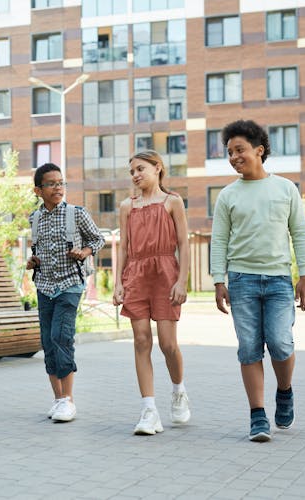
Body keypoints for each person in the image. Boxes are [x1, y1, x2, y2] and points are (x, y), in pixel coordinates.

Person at [211, 119, 305, 442]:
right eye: (229, 152)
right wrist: (218, 280)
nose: (233, 156)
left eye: (239, 150)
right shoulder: (227, 195)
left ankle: (285, 390)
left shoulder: (285, 189)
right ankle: (257, 416)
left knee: (281, 343)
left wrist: (304, 274)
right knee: (249, 349)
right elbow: (220, 241)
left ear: (259, 150)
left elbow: (300, 233)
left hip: (280, 279)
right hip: (242, 280)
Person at [113, 150, 191, 435]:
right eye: (131, 171)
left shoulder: (173, 202)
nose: (135, 175)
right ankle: (149, 410)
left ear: (158, 168)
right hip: (136, 274)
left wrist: (182, 281)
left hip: (165, 272)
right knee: (141, 340)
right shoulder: (126, 206)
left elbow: (183, 243)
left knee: (168, 344)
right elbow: (123, 247)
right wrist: (119, 282)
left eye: (140, 169)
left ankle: (178, 391)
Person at [27, 163, 105, 423]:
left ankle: (68, 401)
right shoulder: (34, 218)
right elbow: (40, 249)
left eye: (61, 183)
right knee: (48, 341)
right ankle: (58, 399)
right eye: (51, 184)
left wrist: (84, 252)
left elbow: (97, 239)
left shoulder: (76, 214)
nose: (58, 187)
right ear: (38, 190)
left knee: (61, 336)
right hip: (44, 285)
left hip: (70, 284)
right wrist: (33, 260)